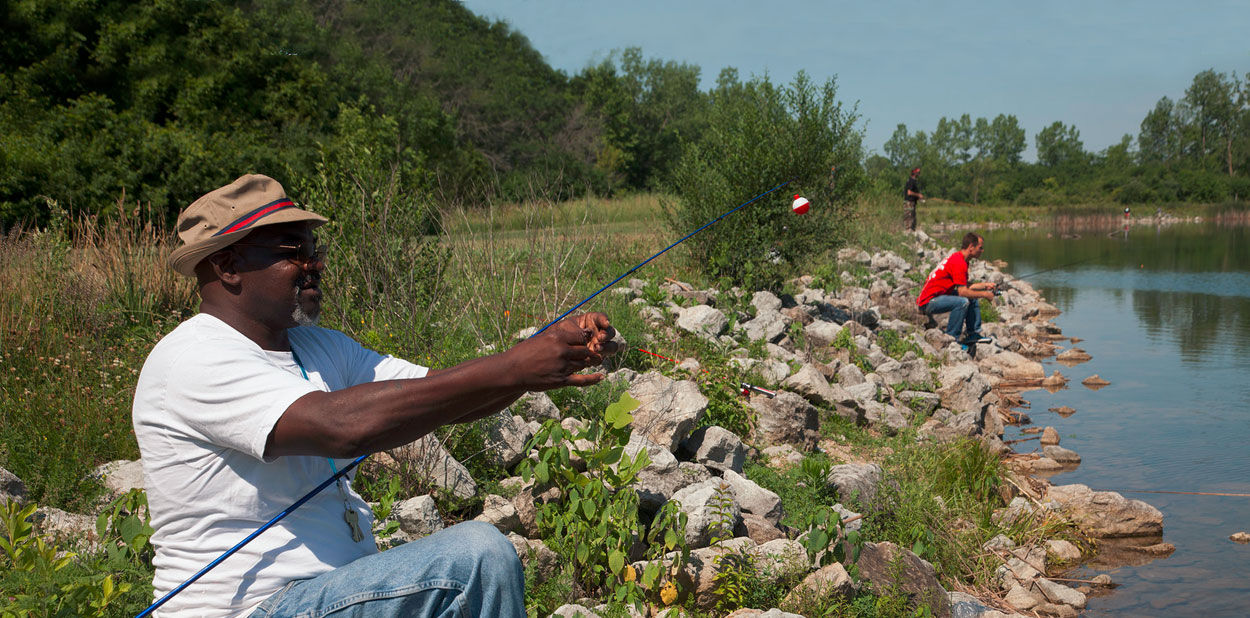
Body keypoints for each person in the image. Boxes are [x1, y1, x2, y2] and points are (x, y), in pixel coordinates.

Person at [133, 174, 618, 617]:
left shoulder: (318, 345)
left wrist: (534, 363)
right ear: (228, 265)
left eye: (313, 247)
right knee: (478, 558)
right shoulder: (192, 358)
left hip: (330, 593)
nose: (315, 263)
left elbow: (440, 395)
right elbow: (341, 428)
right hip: (250, 608)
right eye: (293, 250)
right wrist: (514, 365)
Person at [915, 232, 997, 347]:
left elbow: (964, 285)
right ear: (971, 247)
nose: (982, 251)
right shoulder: (959, 262)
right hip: (928, 302)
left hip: (938, 296)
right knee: (962, 302)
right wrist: (985, 294)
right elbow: (962, 291)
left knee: (972, 298)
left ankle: (973, 333)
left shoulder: (960, 259)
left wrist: (985, 286)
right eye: (980, 248)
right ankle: (952, 339)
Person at [903, 167, 924, 231]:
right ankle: (908, 233)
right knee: (909, 219)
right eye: (918, 172)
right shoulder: (911, 181)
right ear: (915, 173)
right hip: (909, 203)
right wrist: (918, 195)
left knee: (913, 219)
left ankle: (912, 233)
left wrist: (918, 198)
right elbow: (909, 192)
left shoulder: (912, 181)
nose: (919, 174)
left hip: (912, 202)